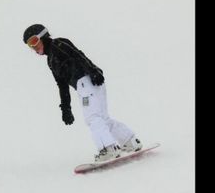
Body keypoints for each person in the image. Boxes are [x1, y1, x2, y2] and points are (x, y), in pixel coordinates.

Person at [22, 24, 143, 162]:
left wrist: (93, 71)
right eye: (29, 45)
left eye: (34, 41)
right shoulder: (51, 61)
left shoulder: (58, 44)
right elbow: (62, 85)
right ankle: (130, 141)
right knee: (102, 118)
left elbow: (78, 55)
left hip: (86, 80)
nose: (34, 47)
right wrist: (66, 108)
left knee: (92, 118)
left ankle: (108, 148)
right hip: (88, 83)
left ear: (43, 36)